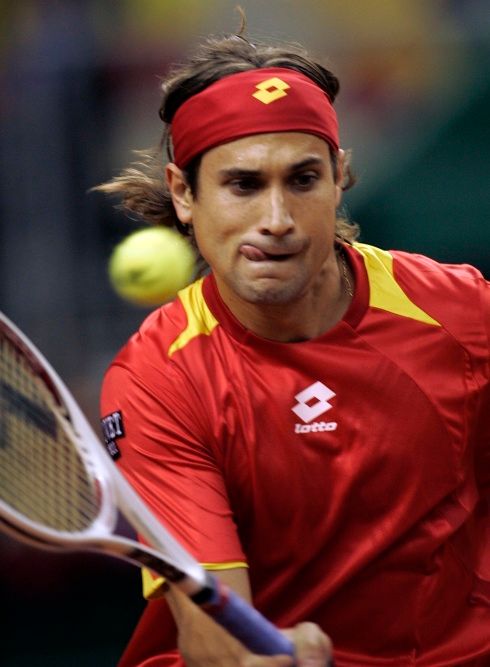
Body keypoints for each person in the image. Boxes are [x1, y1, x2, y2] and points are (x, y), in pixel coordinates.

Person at [97, 27, 490, 667]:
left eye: (302, 179)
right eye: (244, 185)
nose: (276, 218)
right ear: (183, 193)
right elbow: (214, 630)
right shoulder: (158, 381)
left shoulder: (462, 313)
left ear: (339, 179)